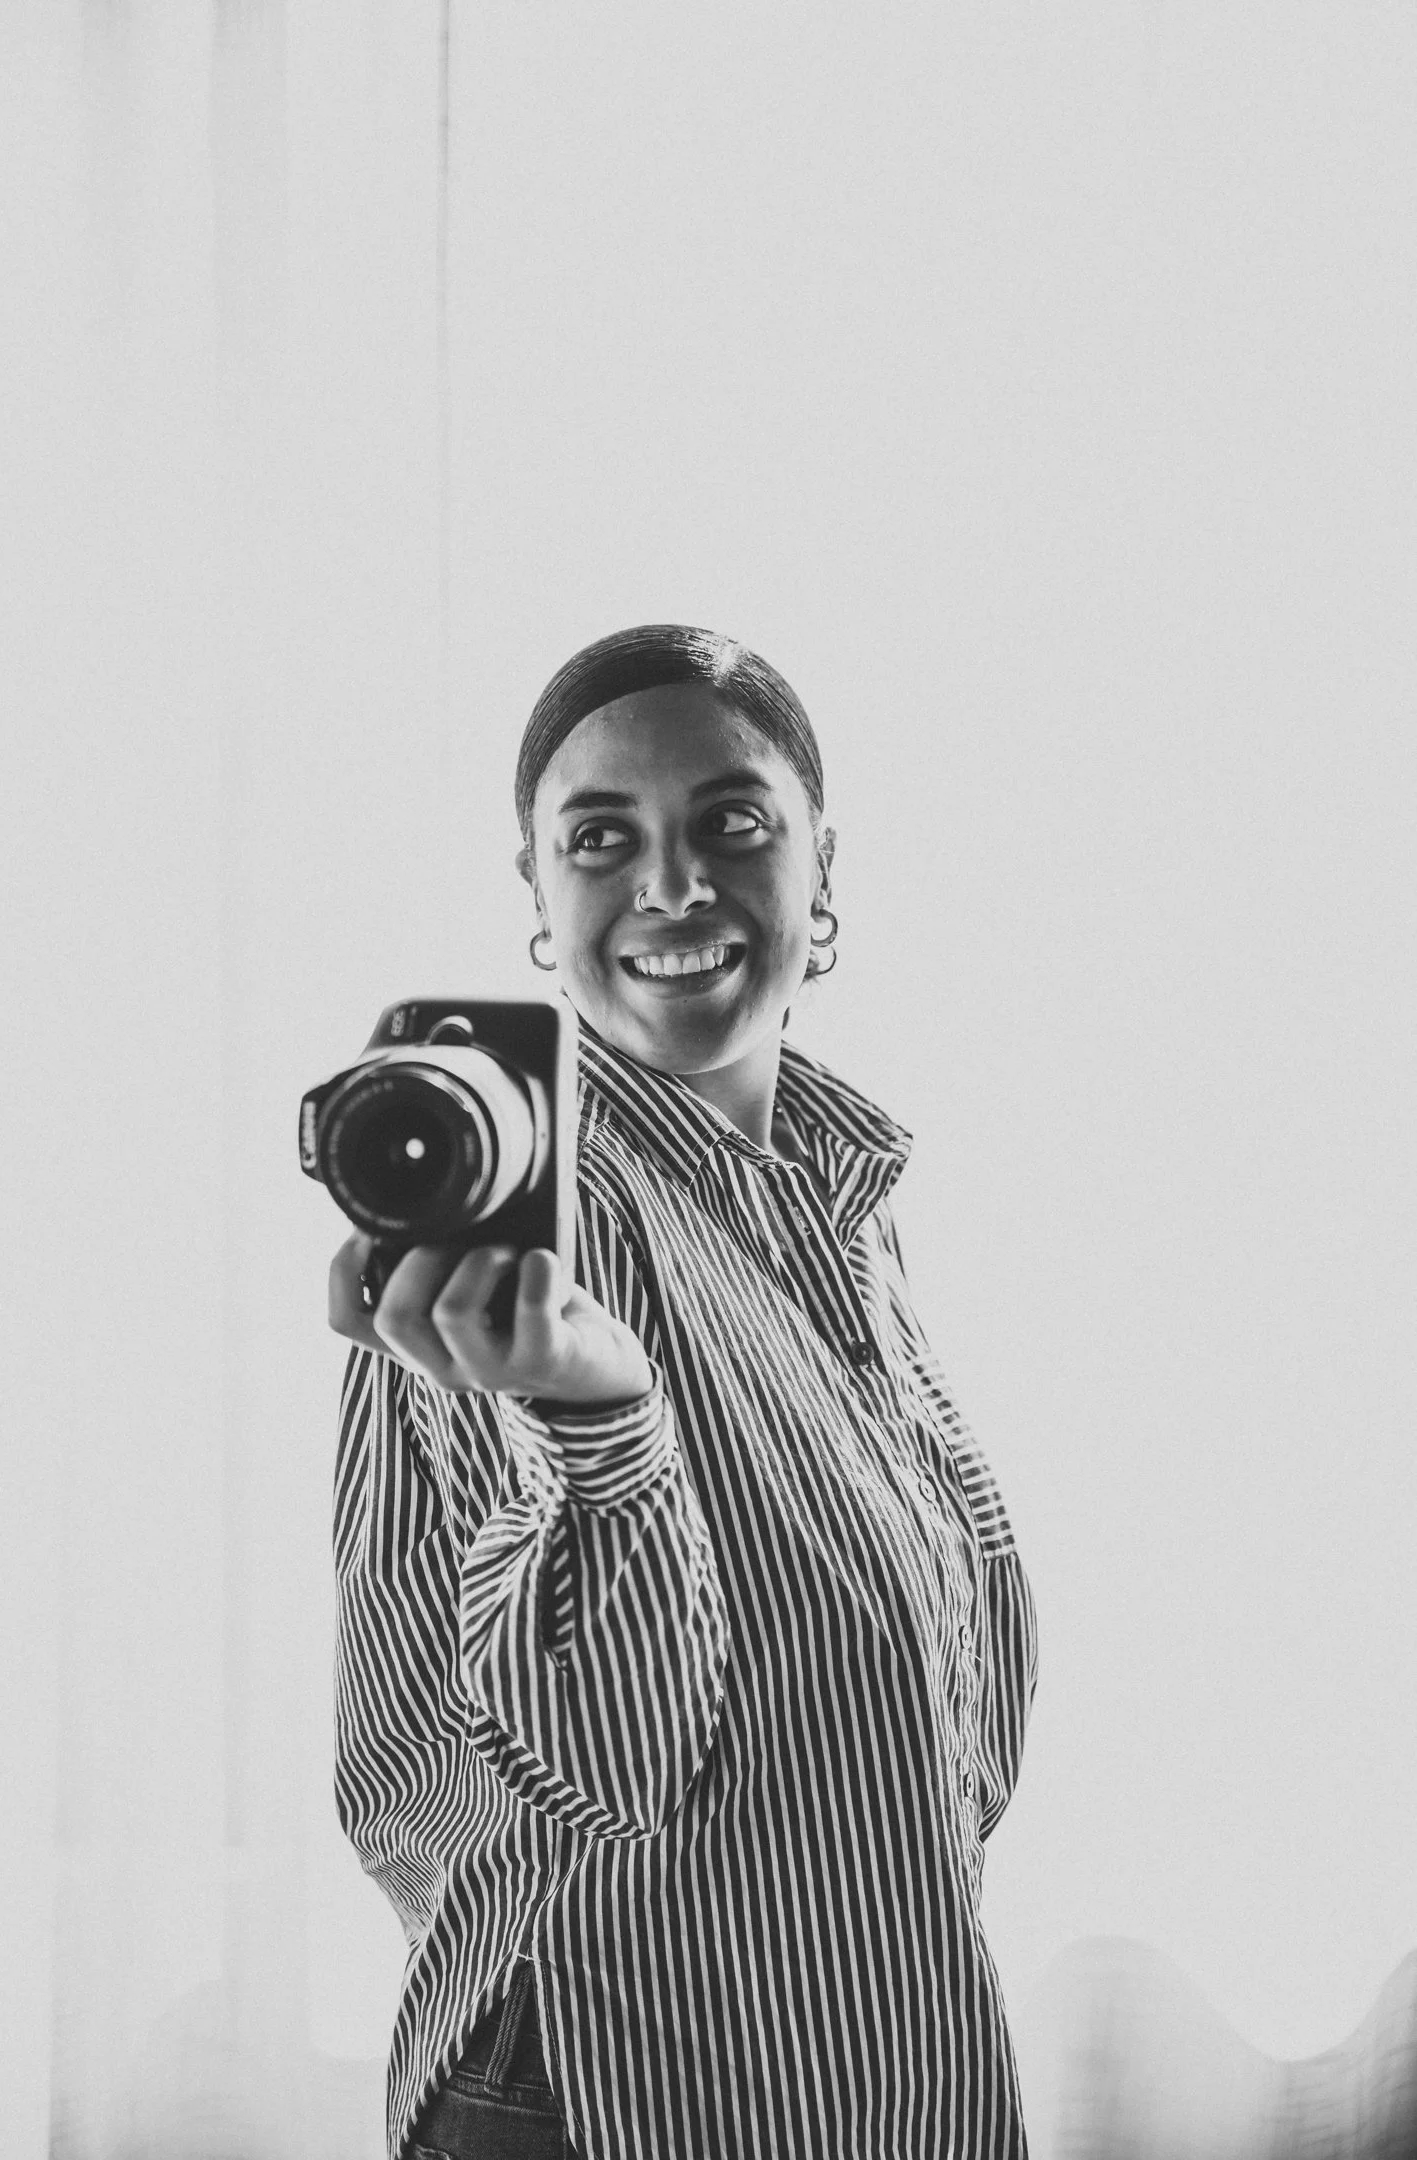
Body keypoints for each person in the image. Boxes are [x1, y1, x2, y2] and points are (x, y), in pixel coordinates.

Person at [327, 624, 1039, 2160]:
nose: (671, 886)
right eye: (602, 840)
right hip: (627, 2089)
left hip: (873, 2066)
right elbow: (606, 1757)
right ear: (538, 895)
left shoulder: (837, 1198)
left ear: (820, 862)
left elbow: (937, 1696)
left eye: (732, 821)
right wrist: (605, 1425)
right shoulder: (534, 1208)